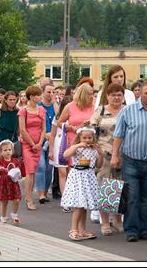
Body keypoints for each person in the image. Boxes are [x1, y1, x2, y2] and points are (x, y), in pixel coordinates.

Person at [111, 80, 147, 242]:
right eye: (146, 93)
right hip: (131, 162)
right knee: (132, 197)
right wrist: (115, 155)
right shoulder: (128, 111)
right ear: (139, 93)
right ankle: (131, 230)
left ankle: (144, 229)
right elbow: (118, 135)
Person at [88, 83, 126, 233]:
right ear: (107, 96)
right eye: (113, 95)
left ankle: (117, 219)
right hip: (104, 155)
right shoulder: (100, 111)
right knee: (105, 187)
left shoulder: (127, 111)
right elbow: (90, 131)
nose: (116, 97)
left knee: (120, 188)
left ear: (123, 97)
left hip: (124, 154)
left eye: (119, 95)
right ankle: (105, 222)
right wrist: (95, 149)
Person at [52, 82, 95, 210]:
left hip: (89, 142)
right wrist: (70, 127)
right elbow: (59, 122)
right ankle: (70, 199)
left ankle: (84, 198)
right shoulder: (70, 106)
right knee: (73, 171)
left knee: (88, 170)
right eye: (90, 94)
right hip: (73, 141)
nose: (92, 97)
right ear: (83, 95)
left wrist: (90, 124)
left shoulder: (93, 107)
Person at [61, 126, 103, 241]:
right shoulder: (77, 148)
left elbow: (98, 165)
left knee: (84, 205)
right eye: (84, 138)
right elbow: (65, 155)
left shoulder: (94, 150)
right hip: (78, 176)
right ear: (79, 137)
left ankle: (82, 230)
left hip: (88, 177)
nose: (87, 140)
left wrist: (100, 153)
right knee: (79, 204)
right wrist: (78, 145)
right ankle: (73, 229)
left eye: (89, 138)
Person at [18, 85, 46, 211]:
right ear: (31, 97)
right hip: (27, 144)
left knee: (34, 171)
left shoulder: (41, 110)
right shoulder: (23, 111)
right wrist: (32, 144)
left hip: (38, 144)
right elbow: (22, 129)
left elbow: (44, 128)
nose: (40, 97)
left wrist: (39, 143)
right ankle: (29, 198)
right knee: (29, 171)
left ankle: (29, 196)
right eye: (38, 95)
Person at [36, 82, 58, 204]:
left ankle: (44, 191)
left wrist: (55, 102)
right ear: (43, 92)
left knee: (49, 169)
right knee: (41, 166)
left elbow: (59, 118)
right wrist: (44, 135)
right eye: (48, 92)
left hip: (52, 142)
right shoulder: (38, 106)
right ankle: (40, 194)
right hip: (40, 140)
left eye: (53, 92)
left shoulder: (56, 105)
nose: (51, 94)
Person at [0, 140, 22, 225]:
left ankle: (14, 214)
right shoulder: (0, 161)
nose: (8, 152)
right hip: (4, 182)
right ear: (1, 152)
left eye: (9, 150)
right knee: (4, 201)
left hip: (14, 182)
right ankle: (3, 216)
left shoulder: (15, 161)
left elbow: (18, 170)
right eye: (5, 150)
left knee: (16, 199)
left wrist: (19, 174)